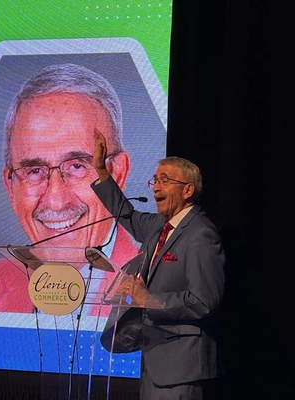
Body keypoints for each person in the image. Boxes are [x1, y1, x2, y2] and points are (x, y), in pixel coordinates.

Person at [0, 64, 138, 313]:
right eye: (34, 171)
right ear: (10, 187)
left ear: (118, 174)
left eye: (77, 166)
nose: (55, 201)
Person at [92, 129, 225, 399]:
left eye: (165, 181)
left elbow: (204, 301)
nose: (155, 187)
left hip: (182, 367)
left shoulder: (200, 234)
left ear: (188, 190)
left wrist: (149, 299)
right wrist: (101, 171)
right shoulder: (158, 226)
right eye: (155, 180)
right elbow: (126, 215)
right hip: (154, 362)